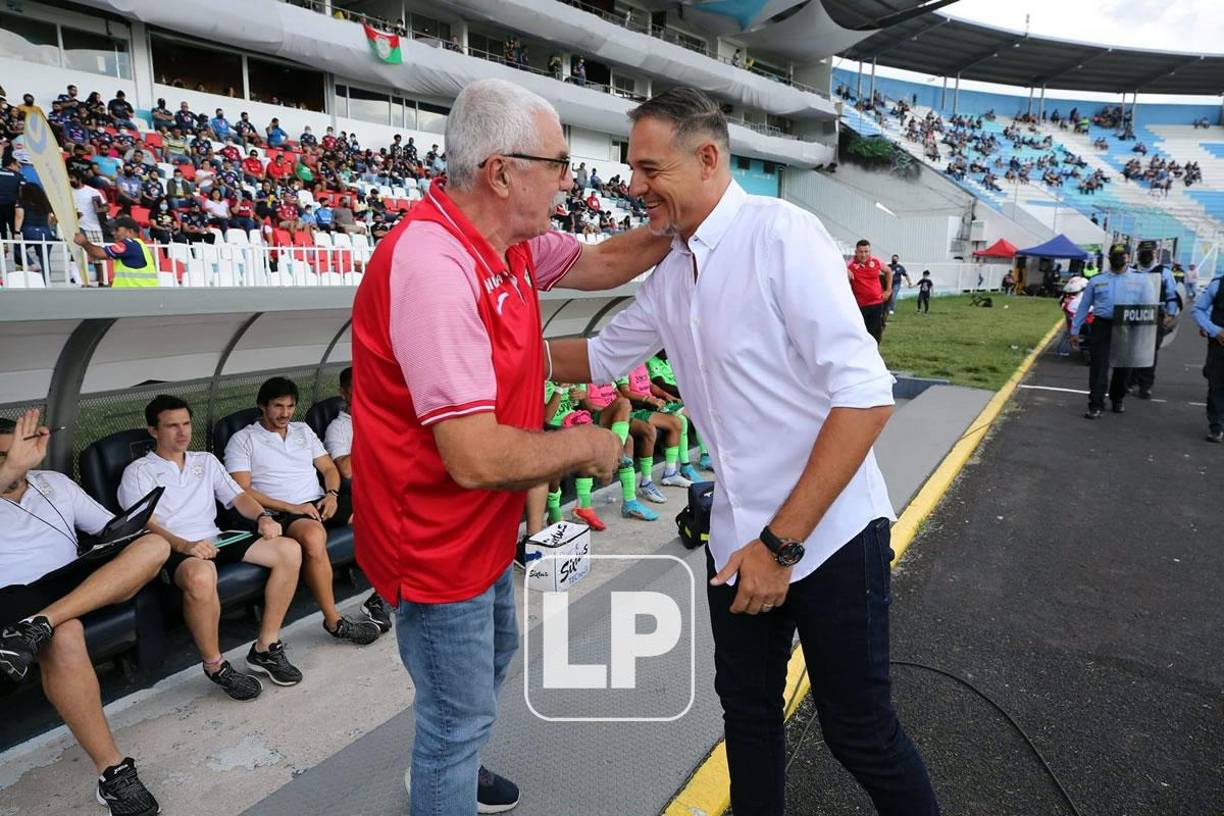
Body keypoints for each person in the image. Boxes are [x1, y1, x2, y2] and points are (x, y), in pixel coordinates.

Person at [548, 86, 940, 816]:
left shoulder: (782, 235)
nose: (633, 186)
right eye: (631, 169)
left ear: (707, 157)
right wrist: (481, 347)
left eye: (648, 168)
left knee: (858, 733)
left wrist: (779, 546)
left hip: (827, 536)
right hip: (736, 537)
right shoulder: (670, 270)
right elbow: (601, 356)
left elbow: (866, 395)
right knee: (750, 726)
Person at [349, 78, 670, 816]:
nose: (570, 180)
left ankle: (449, 762)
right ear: (501, 172)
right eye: (558, 164)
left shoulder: (508, 243)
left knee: (490, 664)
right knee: (455, 719)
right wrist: (585, 444)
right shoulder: (435, 267)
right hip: (434, 540)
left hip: (479, 526)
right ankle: (443, 774)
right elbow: (476, 458)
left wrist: (681, 221)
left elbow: (599, 263)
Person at [0, 410, 168, 816]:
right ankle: (112, 773)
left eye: (18, 452)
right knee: (66, 634)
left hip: (69, 579)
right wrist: (10, 471)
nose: (16, 461)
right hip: (13, 592)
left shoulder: (54, 483)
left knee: (154, 546)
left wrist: (125, 534)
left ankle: (37, 626)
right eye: (4, 455)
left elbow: (110, 528)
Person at [118, 395, 305, 699]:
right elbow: (144, 524)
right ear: (153, 430)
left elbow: (237, 497)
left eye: (186, 424)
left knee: (289, 550)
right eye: (171, 426)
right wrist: (185, 545)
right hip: (172, 547)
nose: (182, 433)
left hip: (214, 536)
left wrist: (262, 516)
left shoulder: (205, 460)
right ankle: (215, 664)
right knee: (201, 576)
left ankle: (265, 646)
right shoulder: (139, 472)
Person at [224, 376, 384, 644]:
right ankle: (334, 621)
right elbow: (241, 490)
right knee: (312, 535)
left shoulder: (302, 430)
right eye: (278, 406)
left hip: (319, 500)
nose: (285, 413)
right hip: (282, 511)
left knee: (376, 516)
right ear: (262, 406)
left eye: (290, 406)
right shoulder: (243, 439)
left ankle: (381, 595)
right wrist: (291, 506)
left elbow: (329, 469)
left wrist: (332, 495)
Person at [1071, 245, 1158, 418]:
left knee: (1123, 367)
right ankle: (1096, 404)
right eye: (1116, 255)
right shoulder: (1097, 280)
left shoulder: (1141, 279)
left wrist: (1145, 334)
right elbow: (1083, 306)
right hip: (1102, 326)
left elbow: (1149, 306)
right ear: (1110, 257)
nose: (1120, 258)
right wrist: (1075, 330)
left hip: (1127, 325)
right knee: (1099, 367)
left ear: (1129, 257)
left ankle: (1117, 397)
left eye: (1123, 255)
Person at [1126, 241, 1180, 399]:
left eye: (1149, 252)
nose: (1146, 254)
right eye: (1143, 251)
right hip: (1132, 313)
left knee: (1150, 351)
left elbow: (1171, 295)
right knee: (1131, 349)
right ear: (1138, 253)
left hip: (1155, 314)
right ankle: (1130, 381)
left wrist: (1170, 315)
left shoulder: (1164, 273)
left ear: (1156, 253)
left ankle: (1145, 385)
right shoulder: (1131, 271)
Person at [74, 216, 158, 288]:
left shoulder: (129, 244)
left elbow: (99, 254)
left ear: (130, 231)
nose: (113, 233)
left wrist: (84, 242)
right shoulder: (140, 246)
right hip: (140, 294)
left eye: (117, 230)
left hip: (132, 296)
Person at [1193, 271, 1224, 443]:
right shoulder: (1218, 284)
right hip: (1219, 344)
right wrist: (1215, 330)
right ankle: (1216, 426)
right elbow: (1198, 309)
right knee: (1216, 385)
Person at [847, 239, 891, 342]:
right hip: (861, 305)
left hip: (877, 303)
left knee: (875, 332)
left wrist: (888, 290)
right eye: (861, 252)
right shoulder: (850, 265)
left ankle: (874, 354)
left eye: (866, 251)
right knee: (861, 332)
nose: (863, 255)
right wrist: (845, 272)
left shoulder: (875, 261)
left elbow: (888, 271)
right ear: (856, 252)